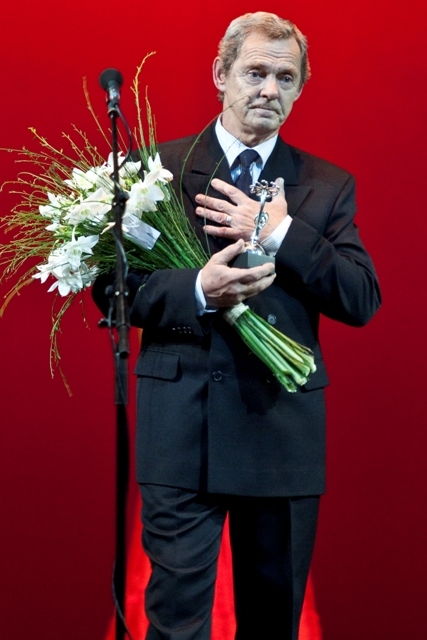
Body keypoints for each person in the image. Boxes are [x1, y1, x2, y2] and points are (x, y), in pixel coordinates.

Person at [94, 11, 381, 640]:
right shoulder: (156, 170)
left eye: (286, 77)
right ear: (221, 75)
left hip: (280, 434)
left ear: (300, 89)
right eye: (255, 72)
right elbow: (112, 290)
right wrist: (198, 290)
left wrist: (280, 231)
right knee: (175, 624)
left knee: (272, 625)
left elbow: (361, 298)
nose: (270, 89)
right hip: (181, 430)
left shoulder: (326, 186)